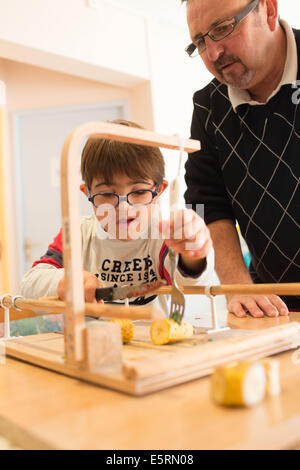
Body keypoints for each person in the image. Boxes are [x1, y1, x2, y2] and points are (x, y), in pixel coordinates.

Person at [21, 120, 214, 315]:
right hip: (95, 342)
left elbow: (190, 280)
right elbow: (29, 285)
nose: (123, 207)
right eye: (106, 194)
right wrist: (67, 281)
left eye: (138, 192)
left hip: (155, 342)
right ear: (87, 192)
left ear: (159, 191)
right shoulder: (78, 234)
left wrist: (192, 253)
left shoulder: (163, 234)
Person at [182, 0, 300, 317]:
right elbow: (204, 202)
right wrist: (238, 287)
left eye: (222, 28)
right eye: (199, 41)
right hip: (273, 311)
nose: (213, 53)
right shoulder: (208, 106)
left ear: (270, 10)